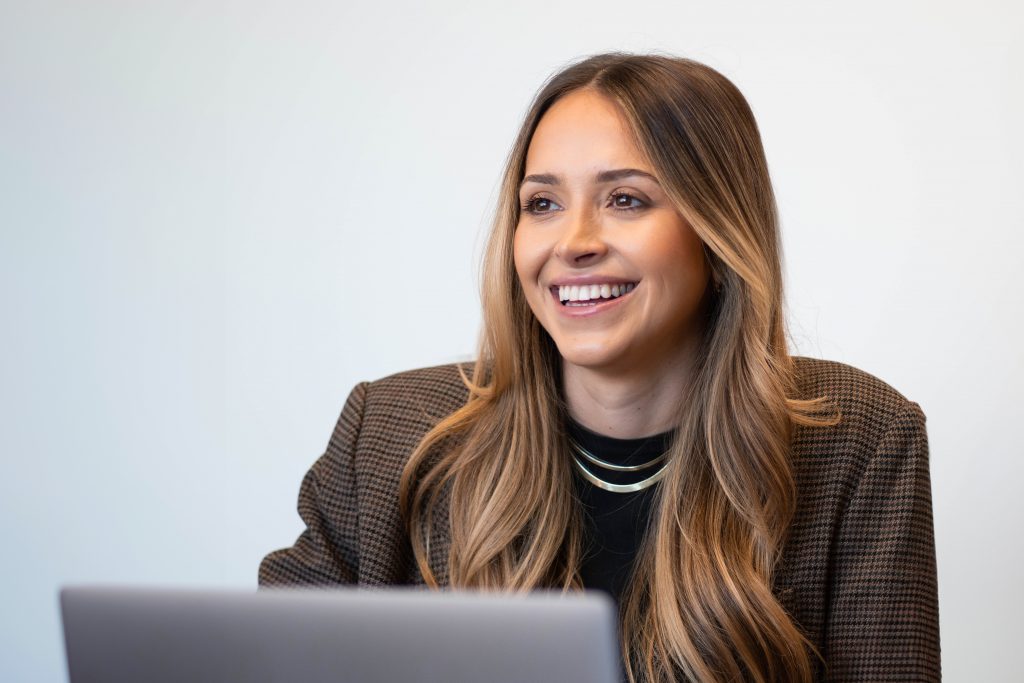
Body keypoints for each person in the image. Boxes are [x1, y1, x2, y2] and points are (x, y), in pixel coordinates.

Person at [259, 52, 940, 682]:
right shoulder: (386, 431)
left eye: (625, 199)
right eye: (543, 204)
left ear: (718, 233)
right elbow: (260, 662)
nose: (574, 242)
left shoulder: (862, 439)